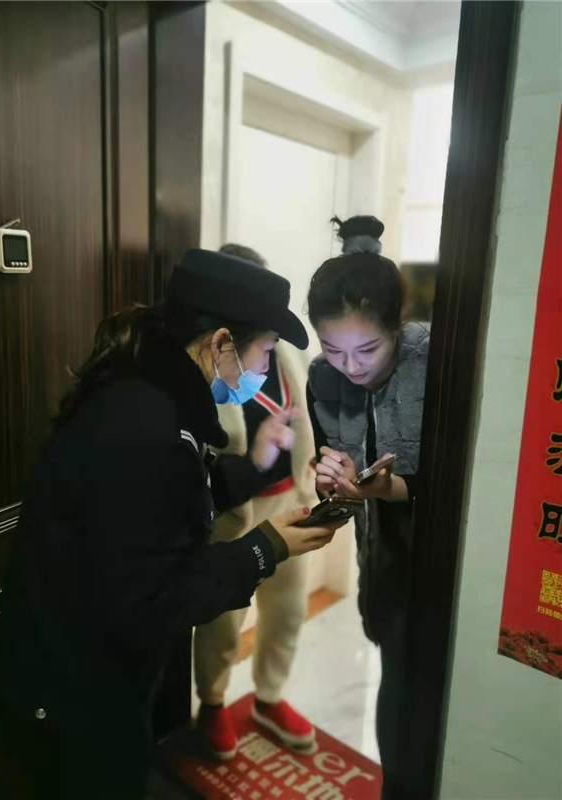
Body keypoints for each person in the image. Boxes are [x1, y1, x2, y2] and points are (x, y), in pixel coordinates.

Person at [0, 248, 346, 800]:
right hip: (74, 694)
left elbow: (165, 508)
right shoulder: (146, 426)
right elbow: (159, 594)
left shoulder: (149, 391)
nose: (263, 371)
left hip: (83, 673)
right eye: (264, 351)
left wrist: (251, 472)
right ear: (221, 343)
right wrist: (265, 546)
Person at [306, 216, 430, 799]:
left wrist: (386, 490)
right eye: (332, 349)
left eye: (368, 348)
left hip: (440, 560)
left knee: (429, 696)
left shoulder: (435, 363)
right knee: (396, 685)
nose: (350, 367)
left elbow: (453, 487)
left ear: (397, 328)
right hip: (380, 556)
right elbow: (332, 477)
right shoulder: (323, 381)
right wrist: (331, 482)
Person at [194, 244, 318, 759]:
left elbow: (310, 416)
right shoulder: (207, 368)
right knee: (223, 618)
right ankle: (213, 702)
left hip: (290, 497)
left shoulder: (286, 352)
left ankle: (269, 696)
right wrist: (256, 456)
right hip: (235, 510)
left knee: (287, 609)